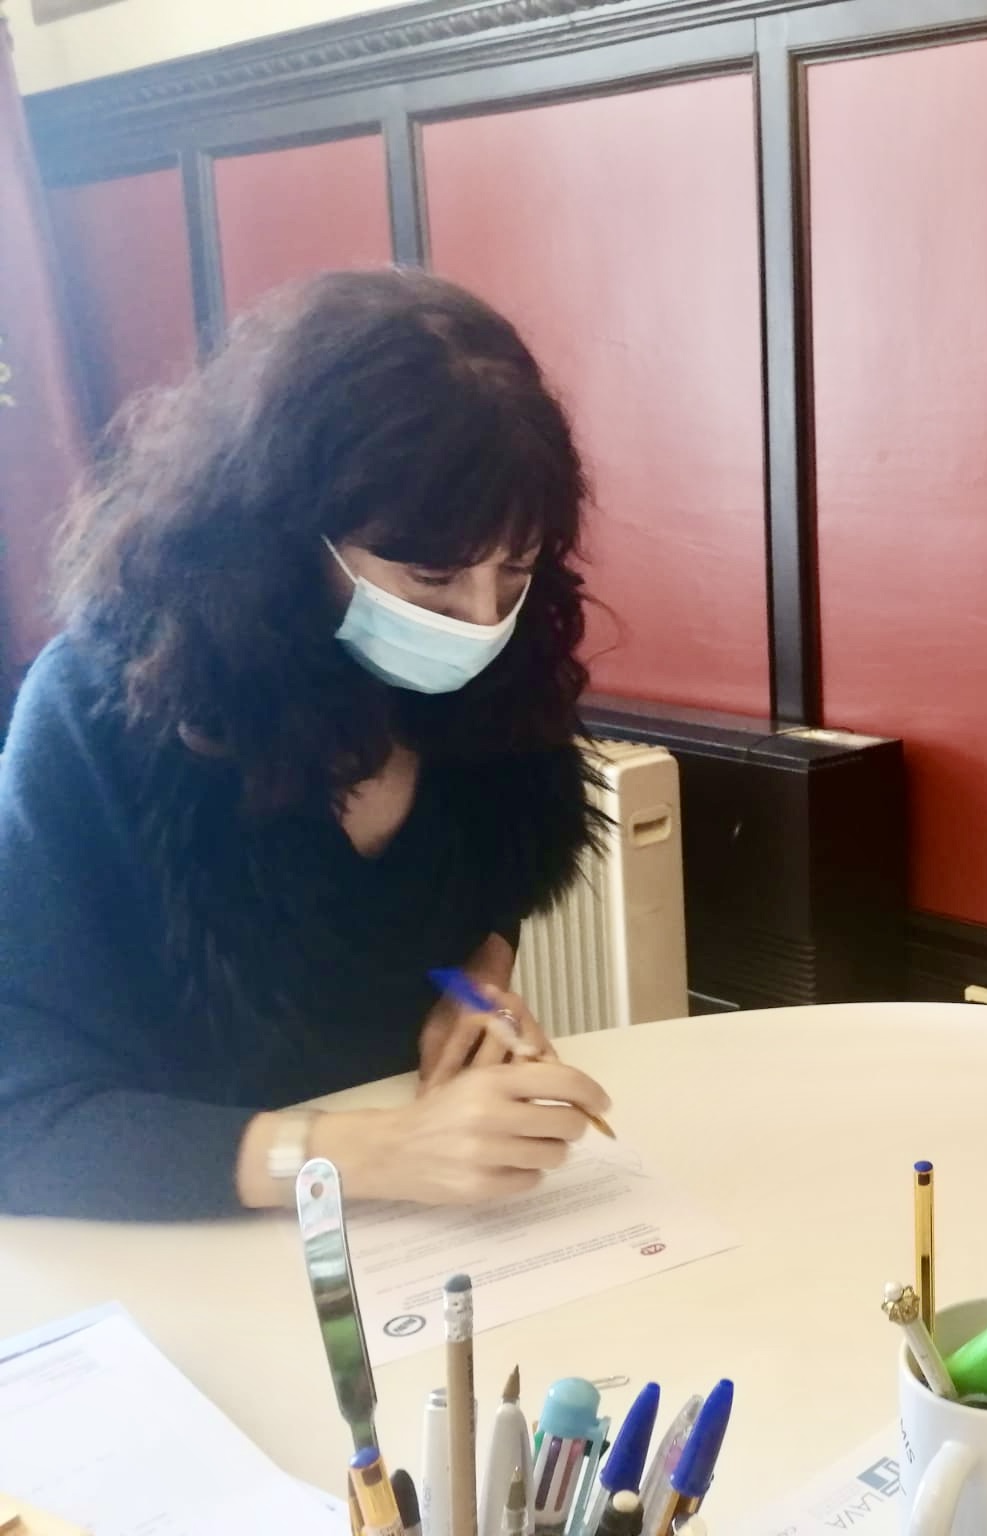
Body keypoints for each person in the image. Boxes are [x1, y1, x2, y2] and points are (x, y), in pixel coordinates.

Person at [0, 268, 615, 1220]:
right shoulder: (101, 710)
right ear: (284, 536)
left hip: (402, 1229)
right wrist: (366, 1155)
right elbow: (22, 1122)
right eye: (430, 578)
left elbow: (497, 865)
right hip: (165, 1231)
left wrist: (476, 978)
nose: (480, 621)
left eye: (517, 570)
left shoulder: (501, 669)